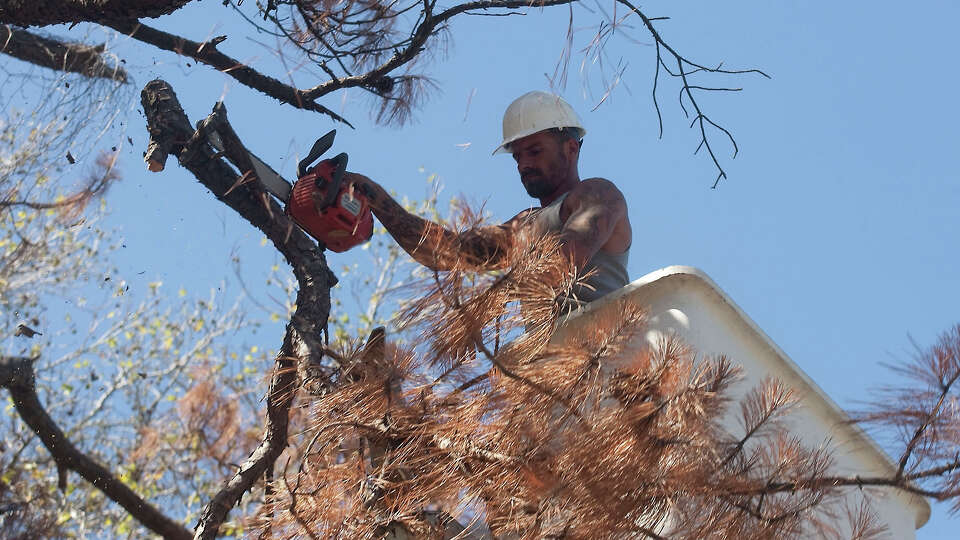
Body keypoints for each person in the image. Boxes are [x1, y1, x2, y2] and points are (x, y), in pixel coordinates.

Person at [346, 90, 632, 306]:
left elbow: (562, 263)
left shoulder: (598, 194)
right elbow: (444, 251)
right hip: (548, 369)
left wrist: (486, 304)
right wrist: (371, 193)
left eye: (534, 151)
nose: (523, 165)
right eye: (517, 156)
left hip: (609, 356)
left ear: (571, 148)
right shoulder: (522, 226)